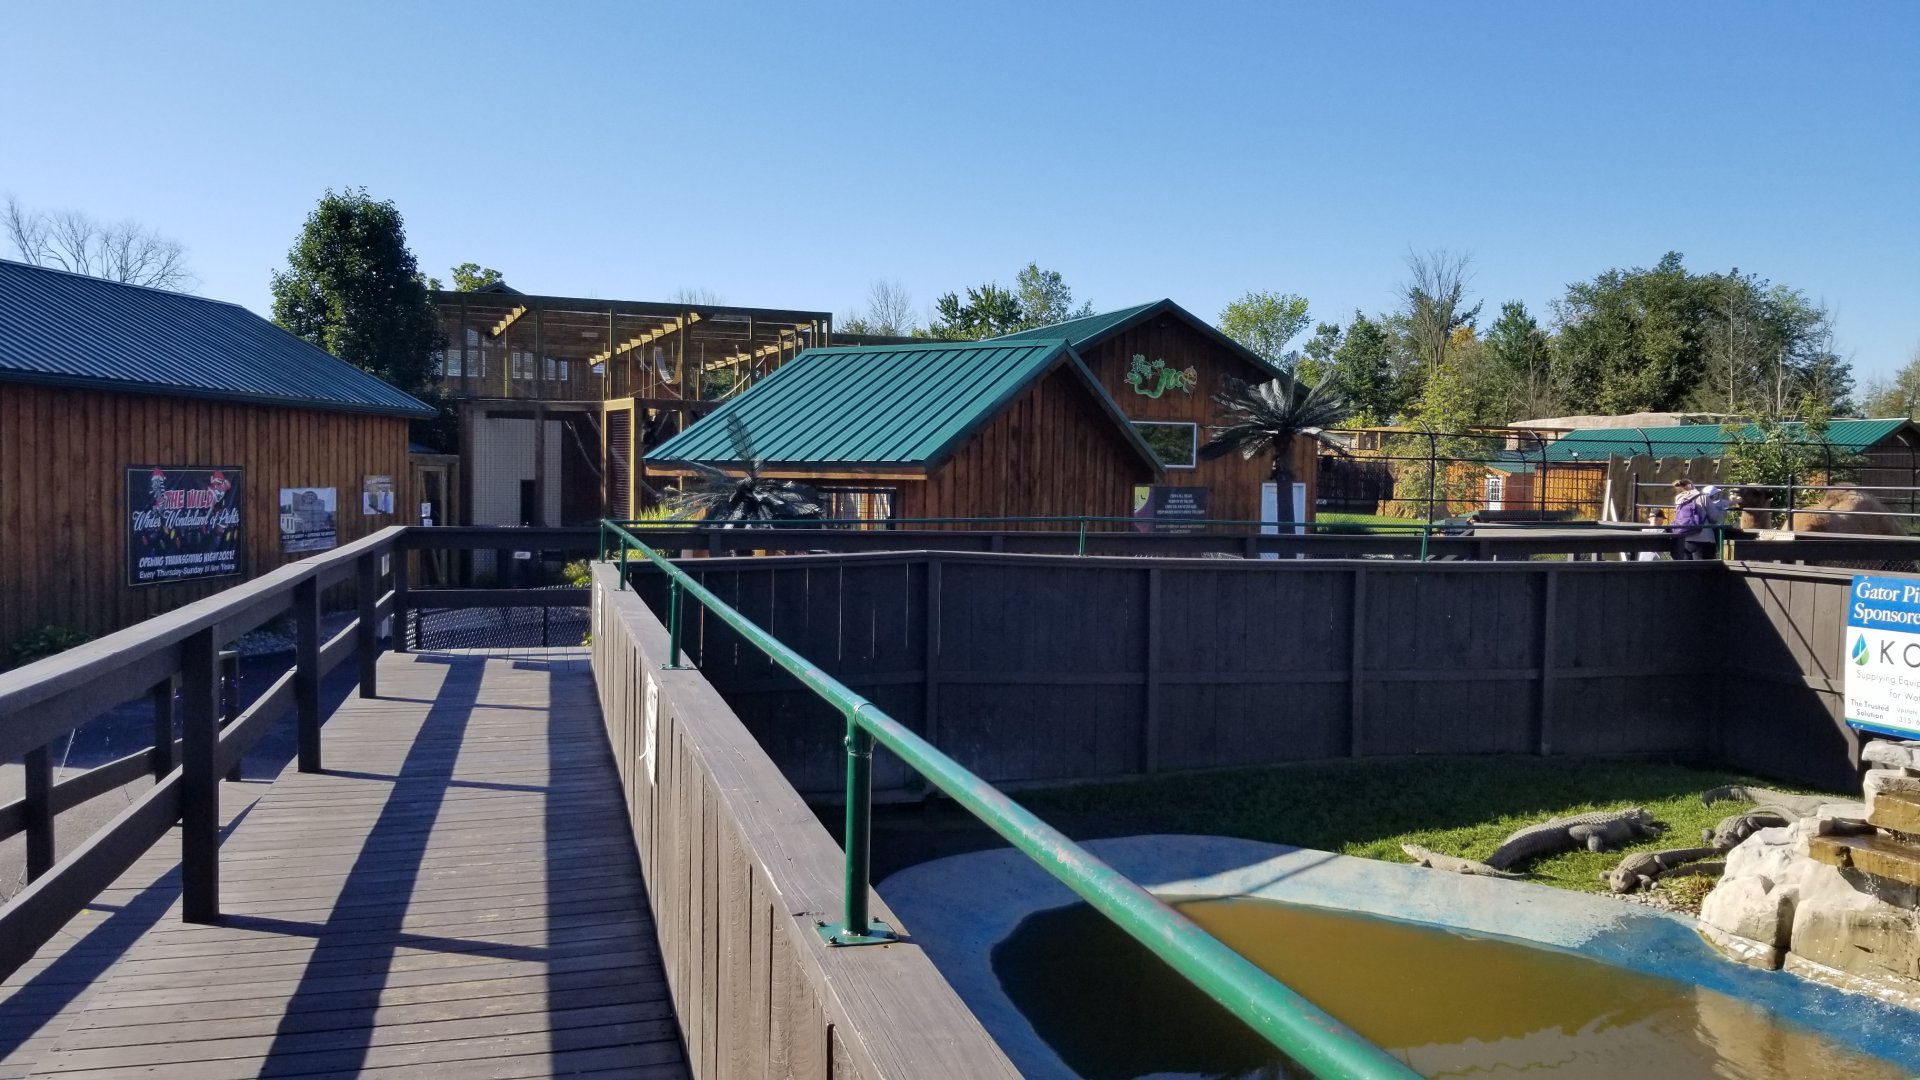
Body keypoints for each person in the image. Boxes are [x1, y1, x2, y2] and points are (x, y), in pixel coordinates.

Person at [1671, 479, 1719, 560]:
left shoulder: (1678, 499)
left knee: (1687, 570)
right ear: (1691, 485)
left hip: (1684, 539)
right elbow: (1715, 518)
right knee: (1703, 570)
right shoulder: (1703, 497)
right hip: (1704, 539)